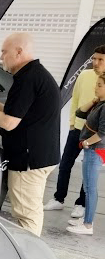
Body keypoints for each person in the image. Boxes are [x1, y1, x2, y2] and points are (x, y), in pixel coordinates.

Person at [0, 33, 60, 237]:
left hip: (29, 160)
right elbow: (14, 112)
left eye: (4, 52)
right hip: (38, 156)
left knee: (27, 215)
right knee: (29, 210)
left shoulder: (28, 79)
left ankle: (29, 253)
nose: (1, 57)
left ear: (19, 52)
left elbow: (8, 123)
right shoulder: (33, 75)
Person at [45, 44, 105, 218]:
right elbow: (76, 99)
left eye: (100, 59)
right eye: (94, 58)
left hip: (96, 135)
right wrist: (72, 123)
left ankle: (81, 204)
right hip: (77, 128)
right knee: (65, 164)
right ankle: (58, 198)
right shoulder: (84, 75)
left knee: (88, 170)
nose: (95, 62)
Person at [66, 73, 105, 236]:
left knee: (90, 188)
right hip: (92, 150)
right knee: (89, 187)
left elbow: (102, 133)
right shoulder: (99, 104)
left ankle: (88, 224)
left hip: (94, 150)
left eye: (99, 85)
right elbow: (80, 113)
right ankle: (86, 220)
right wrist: (94, 100)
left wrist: (87, 143)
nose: (95, 87)